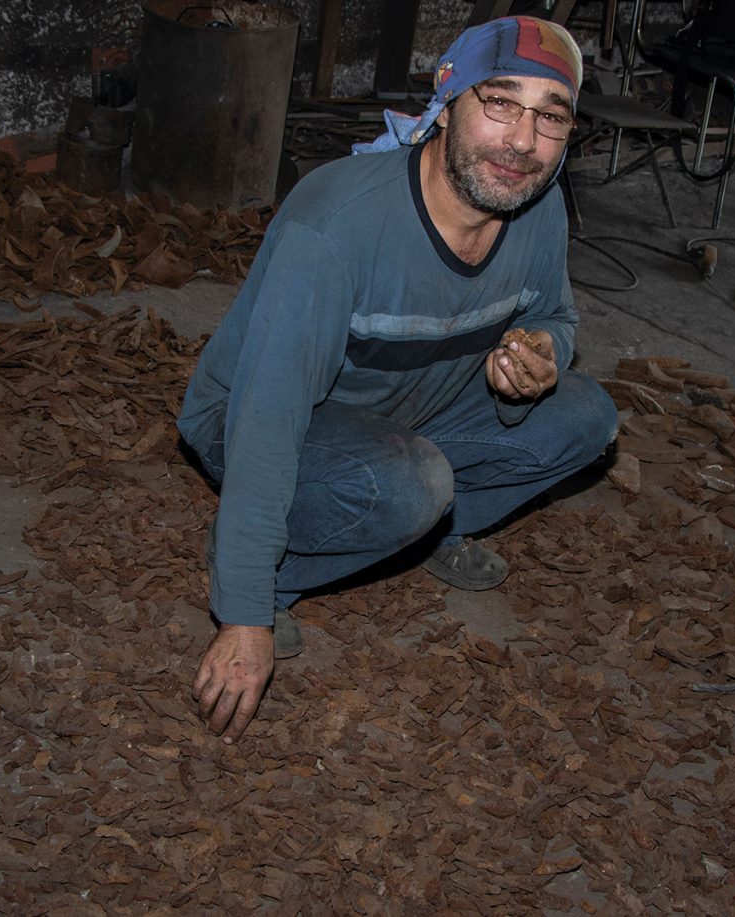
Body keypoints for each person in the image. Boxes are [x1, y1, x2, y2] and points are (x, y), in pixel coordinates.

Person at [177, 15, 618, 743]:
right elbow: (268, 418)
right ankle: (268, 565)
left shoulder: (535, 204)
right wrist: (246, 609)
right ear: (447, 100)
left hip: (417, 406)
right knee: (413, 481)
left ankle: (427, 524)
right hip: (262, 419)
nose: (521, 142)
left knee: (586, 417)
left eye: (550, 118)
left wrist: (543, 355)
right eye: (501, 103)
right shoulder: (336, 227)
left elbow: (558, 317)